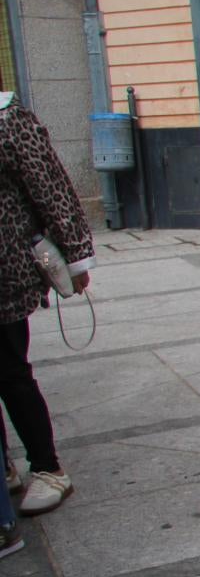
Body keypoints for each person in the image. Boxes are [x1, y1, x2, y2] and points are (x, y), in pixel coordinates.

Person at [0, 84, 92, 518]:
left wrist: (76, 258)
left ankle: (48, 468)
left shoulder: (8, 119)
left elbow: (52, 189)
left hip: (5, 271)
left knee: (9, 371)